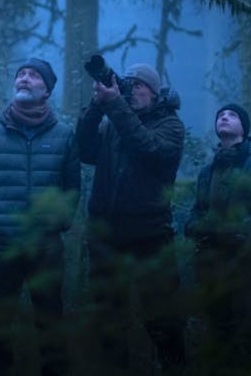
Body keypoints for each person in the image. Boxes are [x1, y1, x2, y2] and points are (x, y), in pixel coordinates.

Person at [0, 57, 81, 376]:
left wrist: (61, 221)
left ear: (47, 90)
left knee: (51, 330)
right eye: (21, 74)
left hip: (46, 249)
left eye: (34, 75)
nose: (24, 79)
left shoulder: (64, 135)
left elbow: (72, 187)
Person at [76, 62, 186, 374]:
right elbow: (85, 150)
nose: (132, 90)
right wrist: (97, 106)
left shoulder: (170, 125)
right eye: (128, 84)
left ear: (154, 92)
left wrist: (115, 105)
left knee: (162, 317)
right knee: (108, 319)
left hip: (150, 234)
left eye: (139, 85)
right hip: (106, 236)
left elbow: (147, 147)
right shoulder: (115, 121)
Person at [185, 104, 251, 363]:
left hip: (247, 265)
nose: (224, 117)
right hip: (211, 266)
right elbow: (198, 211)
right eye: (220, 115)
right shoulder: (208, 171)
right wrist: (195, 227)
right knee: (219, 331)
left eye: (232, 115)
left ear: (244, 128)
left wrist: (242, 237)